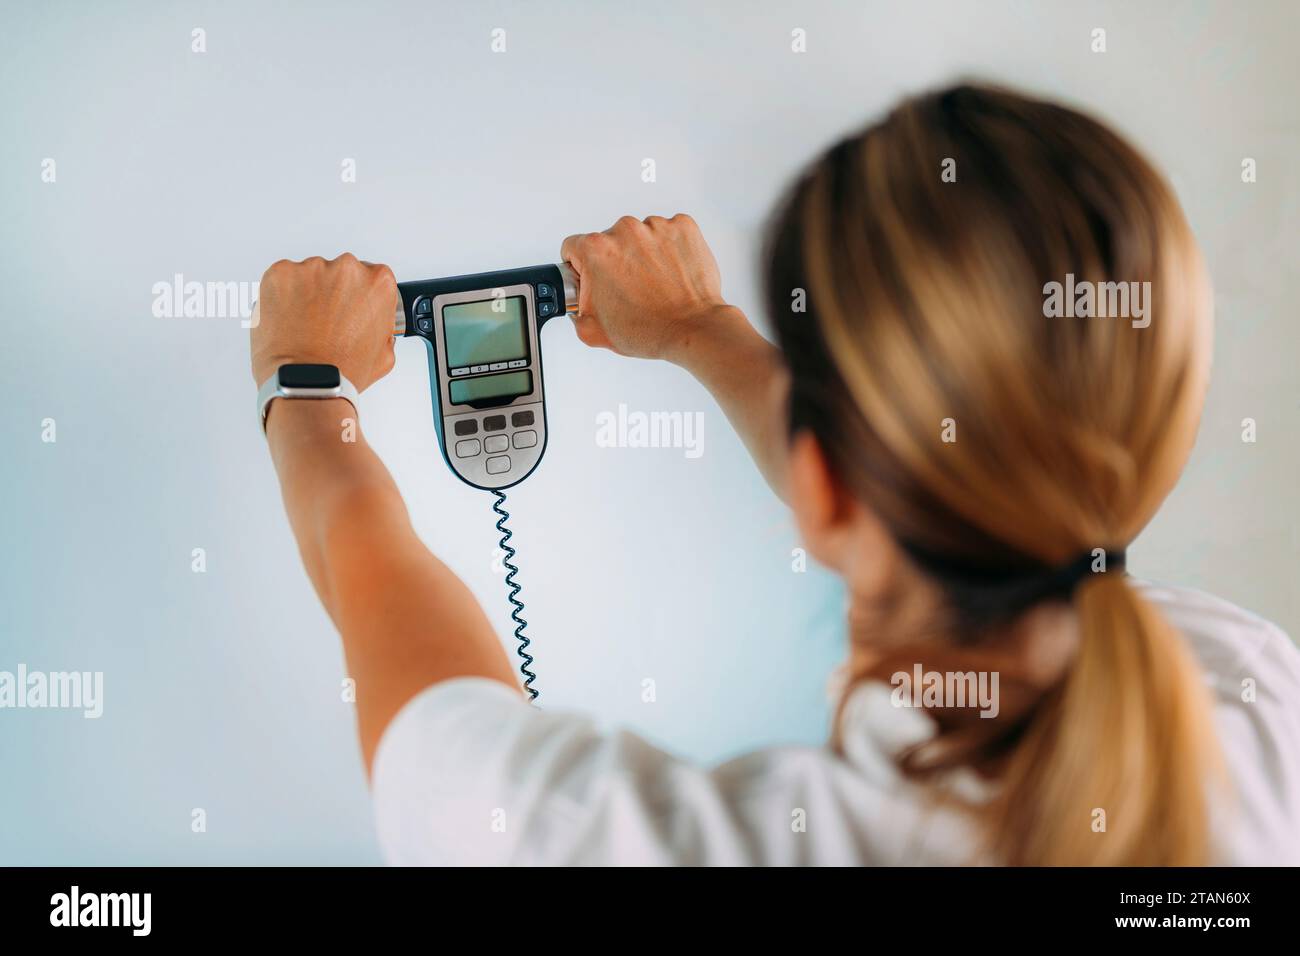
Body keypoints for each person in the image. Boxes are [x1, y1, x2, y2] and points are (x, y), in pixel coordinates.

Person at [250, 84, 1300, 865]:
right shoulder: (1250, 689)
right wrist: (701, 331)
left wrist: (302, 383)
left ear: (825, 486)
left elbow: (378, 591)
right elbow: (942, 498)